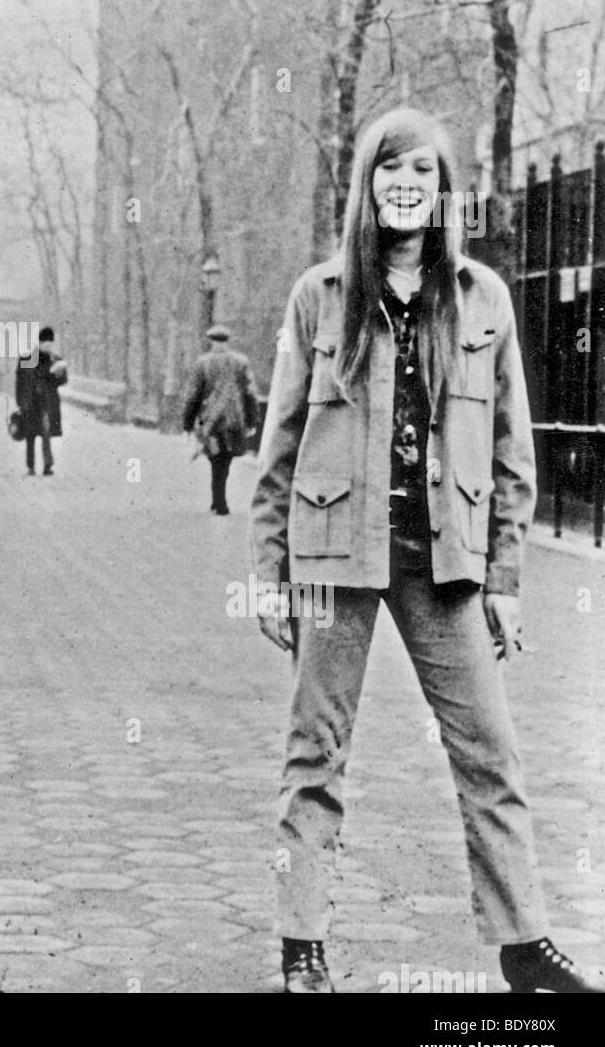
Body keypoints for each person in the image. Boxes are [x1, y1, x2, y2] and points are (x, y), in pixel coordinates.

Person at [250, 107, 604, 995]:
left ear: (445, 195)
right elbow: (279, 446)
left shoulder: (481, 297)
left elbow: (512, 450)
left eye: (423, 176)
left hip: (447, 560)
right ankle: (303, 947)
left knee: (491, 753)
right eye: (389, 173)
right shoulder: (320, 296)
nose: (406, 189)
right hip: (333, 556)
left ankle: (524, 941)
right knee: (314, 755)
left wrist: (509, 579)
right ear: (367, 189)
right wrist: (267, 575)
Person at [182, 324, 258, 515]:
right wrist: (252, 419)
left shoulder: (203, 363)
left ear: (211, 341)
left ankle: (219, 500)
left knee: (215, 459)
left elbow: (193, 395)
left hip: (211, 422)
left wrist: (188, 421)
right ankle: (219, 499)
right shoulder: (241, 362)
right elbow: (250, 393)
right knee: (225, 461)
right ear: (227, 341)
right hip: (234, 420)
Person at [15, 326, 66, 476]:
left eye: (51, 345)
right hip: (30, 403)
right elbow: (20, 380)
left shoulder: (56, 360)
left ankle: (47, 465)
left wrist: (56, 374)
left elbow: (63, 380)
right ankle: (30, 466)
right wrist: (20, 402)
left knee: (46, 433)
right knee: (30, 435)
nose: (48, 347)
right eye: (46, 344)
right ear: (40, 343)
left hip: (46, 403)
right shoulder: (28, 359)